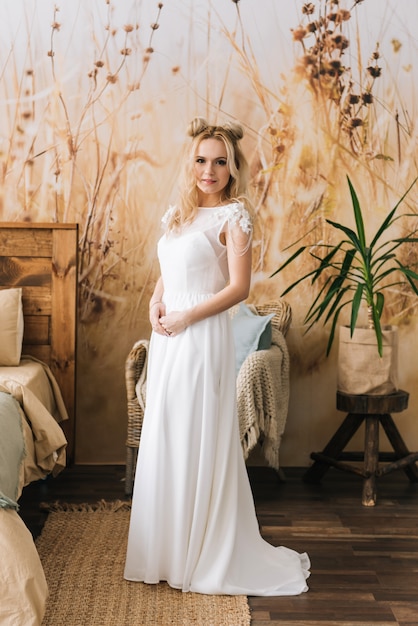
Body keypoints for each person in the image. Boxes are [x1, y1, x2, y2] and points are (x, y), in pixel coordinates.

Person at [124, 117, 310, 595]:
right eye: (202, 160)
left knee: (194, 433)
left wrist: (187, 318)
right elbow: (166, 275)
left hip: (201, 339)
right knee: (165, 433)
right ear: (192, 165)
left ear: (233, 168)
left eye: (220, 162)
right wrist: (155, 304)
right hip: (168, 338)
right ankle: (164, 550)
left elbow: (239, 289)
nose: (210, 170)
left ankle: (200, 550)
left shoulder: (234, 218)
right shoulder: (178, 216)